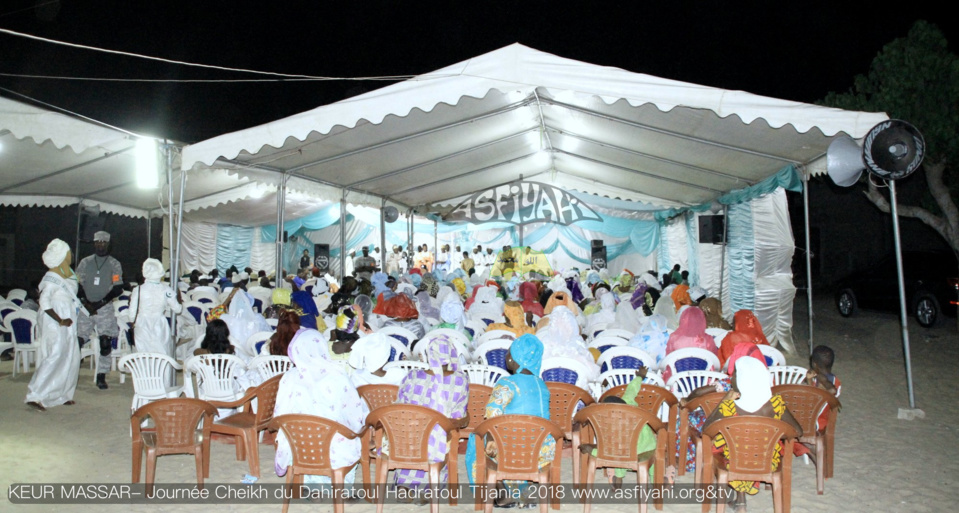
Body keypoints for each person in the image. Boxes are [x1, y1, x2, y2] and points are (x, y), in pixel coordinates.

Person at [703, 357, 802, 512]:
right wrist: (771, 435)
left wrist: (724, 401)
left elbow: (706, 429)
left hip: (734, 461)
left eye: (735, 374)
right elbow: (798, 431)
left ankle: (741, 502)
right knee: (748, 447)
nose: (733, 377)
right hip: (767, 461)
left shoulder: (730, 407)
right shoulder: (776, 404)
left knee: (731, 446)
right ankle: (740, 501)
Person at [274, 328, 369, 489]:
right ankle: (343, 489)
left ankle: (314, 488)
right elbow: (354, 417)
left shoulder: (289, 377)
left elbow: (279, 415)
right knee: (351, 437)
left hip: (299, 447)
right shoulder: (338, 376)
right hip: (334, 448)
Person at [465, 334, 553, 507]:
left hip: (513, 450)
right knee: (513, 436)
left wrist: (490, 439)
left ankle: (497, 492)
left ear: (515, 359)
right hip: (541, 450)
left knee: (476, 440)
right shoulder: (542, 385)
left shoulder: (507, 383)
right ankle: (520, 490)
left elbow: (492, 414)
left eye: (509, 352)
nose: (506, 356)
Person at [392, 336, 469, 493]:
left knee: (411, 434)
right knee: (438, 438)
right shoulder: (460, 380)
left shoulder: (413, 376)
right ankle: (430, 488)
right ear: (451, 355)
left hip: (407, 437)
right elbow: (458, 415)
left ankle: (404, 484)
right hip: (438, 441)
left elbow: (400, 404)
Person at [25, 239, 82, 411]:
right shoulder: (51, 277)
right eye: (69, 252)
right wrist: (60, 319)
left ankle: (61, 394)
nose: (71, 255)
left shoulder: (69, 273)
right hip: (54, 320)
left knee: (70, 356)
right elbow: (44, 301)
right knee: (55, 355)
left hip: (69, 317)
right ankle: (35, 395)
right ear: (62, 255)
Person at [75, 230, 124, 390]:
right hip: (85, 307)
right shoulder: (85, 262)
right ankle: (71, 372)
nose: (100, 245)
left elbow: (118, 288)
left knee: (105, 342)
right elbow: (77, 284)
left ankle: (101, 375)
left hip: (104, 308)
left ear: (108, 244)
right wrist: (86, 302)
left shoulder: (114, 264)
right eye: (98, 242)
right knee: (77, 341)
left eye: (103, 242)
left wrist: (99, 304)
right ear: (94, 243)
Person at [129, 259, 183, 382]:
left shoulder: (138, 289)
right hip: (160, 324)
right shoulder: (166, 290)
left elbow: (132, 313)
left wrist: (133, 321)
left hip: (142, 324)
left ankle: (146, 384)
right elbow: (178, 309)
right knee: (162, 354)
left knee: (144, 355)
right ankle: (163, 385)